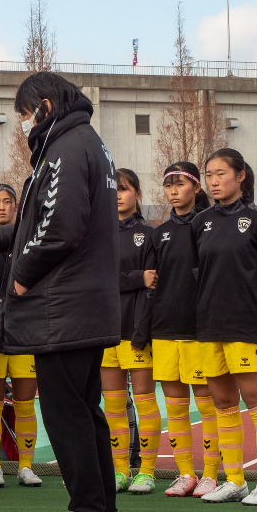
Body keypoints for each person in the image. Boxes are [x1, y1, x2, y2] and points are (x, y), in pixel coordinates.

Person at [0, 72, 123, 512]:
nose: (24, 124)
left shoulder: (66, 149)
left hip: (62, 311)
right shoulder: (86, 143)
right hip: (83, 307)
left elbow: (59, 230)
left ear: (45, 106)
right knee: (84, 412)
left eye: (25, 114)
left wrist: (22, 276)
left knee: (67, 415)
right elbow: (42, 220)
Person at [193, 148, 257, 506]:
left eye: (221, 174)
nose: (214, 181)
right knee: (223, 404)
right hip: (209, 326)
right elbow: (197, 274)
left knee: (256, 401)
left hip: (248, 326)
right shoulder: (200, 222)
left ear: (240, 176)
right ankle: (234, 480)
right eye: (210, 175)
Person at [148, 161, 218, 497]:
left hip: (198, 331)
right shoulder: (159, 232)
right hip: (164, 330)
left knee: (207, 407)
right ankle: (185, 473)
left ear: (196, 188)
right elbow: (152, 284)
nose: (174, 192)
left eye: (180, 184)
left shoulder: (208, 226)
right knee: (174, 407)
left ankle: (210, 474)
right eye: (168, 186)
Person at [106, 169, 162, 494]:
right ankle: (120, 470)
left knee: (143, 400)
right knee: (112, 405)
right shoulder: (96, 234)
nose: (118, 195)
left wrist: (143, 328)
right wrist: (134, 278)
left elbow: (154, 283)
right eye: (113, 188)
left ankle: (148, 471)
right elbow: (96, 279)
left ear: (137, 194)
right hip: (105, 332)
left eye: (124, 189)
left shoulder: (149, 234)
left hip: (136, 330)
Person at [0, 182, 40, 488]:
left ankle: (26, 466)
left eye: (8, 202)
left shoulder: (30, 241)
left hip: (24, 334)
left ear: (17, 206)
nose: (3, 207)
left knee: (25, 403)